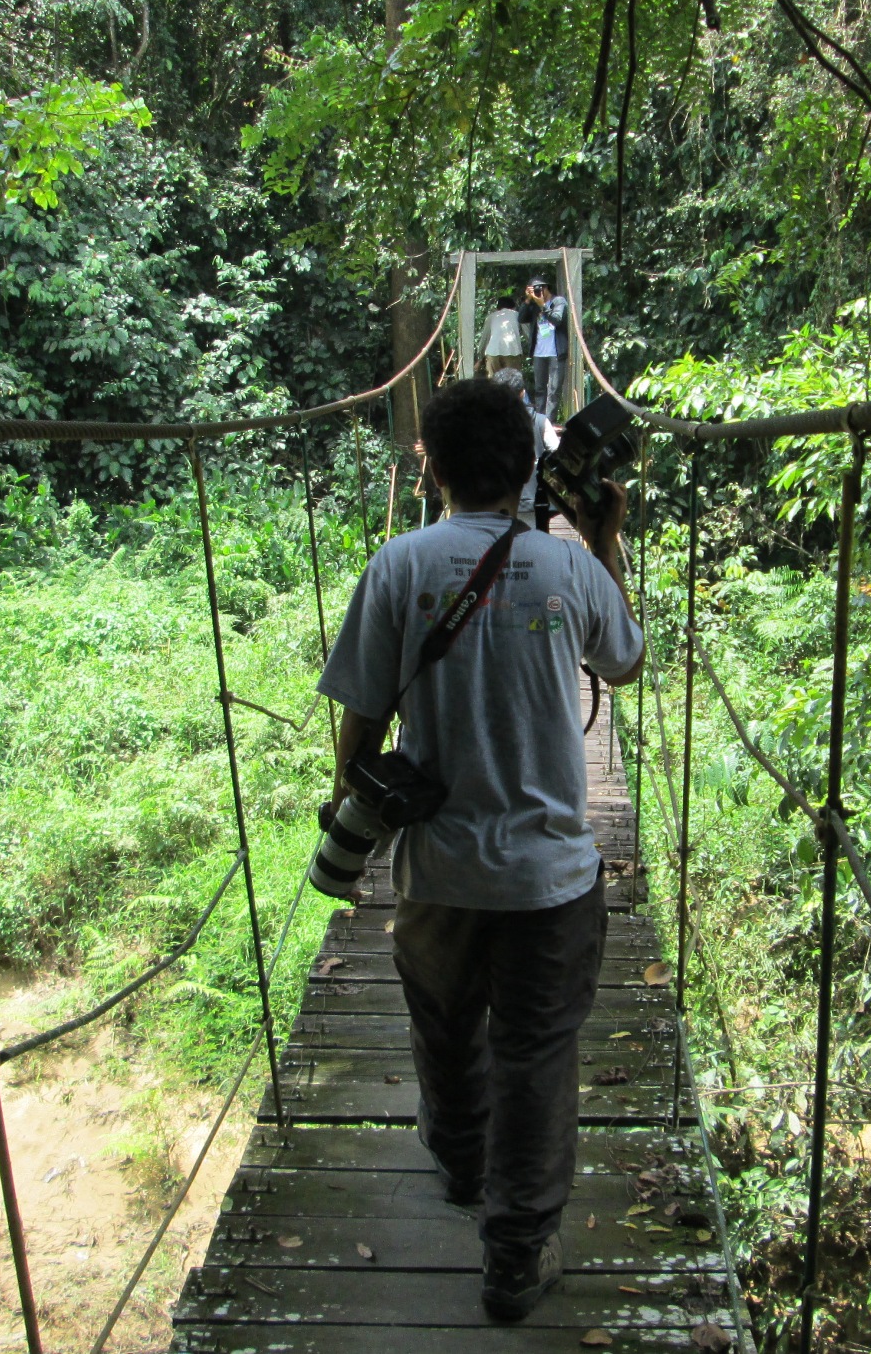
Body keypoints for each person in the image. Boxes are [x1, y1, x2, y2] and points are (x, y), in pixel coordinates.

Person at [316, 378, 643, 1322]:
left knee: (445, 1024)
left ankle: (460, 1162)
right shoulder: (570, 568)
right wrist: (605, 537)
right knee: (537, 1057)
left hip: (438, 874)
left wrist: (350, 796)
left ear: (433, 466)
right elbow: (624, 660)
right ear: (528, 467)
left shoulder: (398, 564)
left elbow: (365, 711)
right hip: (552, 879)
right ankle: (514, 1255)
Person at [494, 366, 559, 530]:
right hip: (534, 502)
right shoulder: (540, 422)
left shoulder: (486, 425)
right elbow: (559, 454)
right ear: (522, 393)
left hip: (498, 503)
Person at [524, 275, 569, 418]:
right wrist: (528, 300)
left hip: (555, 352)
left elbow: (556, 320)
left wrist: (542, 305)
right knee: (539, 390)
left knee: (554, 390)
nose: (538, 291)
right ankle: (539, 420)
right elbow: (521, 318)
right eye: (534, 289)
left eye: (540, 288)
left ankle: (549, 422)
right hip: (539, 353)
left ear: (546, 287)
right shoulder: (533, 305)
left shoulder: (558, 301)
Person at [480, 294, 526, 375]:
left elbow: (485, 337)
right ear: (513, 307)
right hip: (512, 351)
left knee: (493, 383)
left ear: (498, 307)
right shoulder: (517, 315)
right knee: (512, 383)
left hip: (492, 352)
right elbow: (527, 333)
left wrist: (480, 355)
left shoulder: (491, 316)